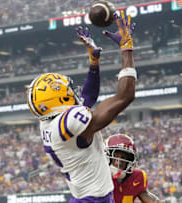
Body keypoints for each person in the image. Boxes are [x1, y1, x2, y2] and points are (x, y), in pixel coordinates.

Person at [26, 10, 137, 202]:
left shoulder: (51, 122)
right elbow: (125, 96)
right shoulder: (69, 123)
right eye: (66, 91)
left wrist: (94, 64)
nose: (72, 92)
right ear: (57, 99)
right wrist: (126, 48)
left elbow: (88, 97)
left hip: (88, 197)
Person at [106, 134, 161, 203]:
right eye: (115, 156)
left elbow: (145, 195)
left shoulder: (137, 176)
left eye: (123, 158)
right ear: (108, 156)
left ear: (130, 160)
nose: (118, 162)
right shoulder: (100, 175)